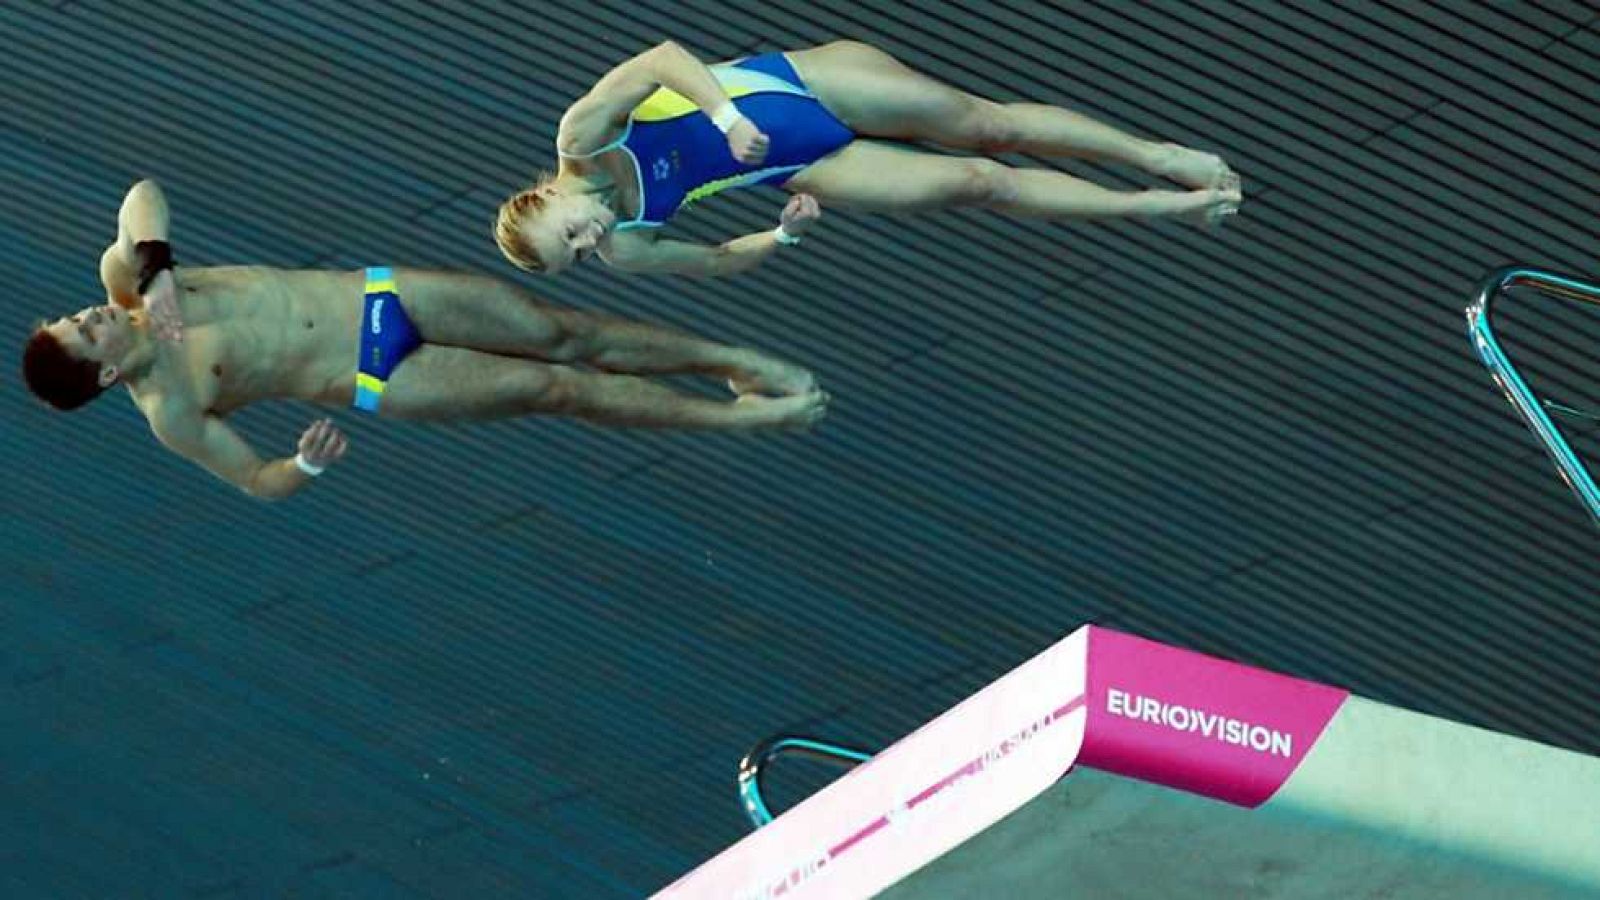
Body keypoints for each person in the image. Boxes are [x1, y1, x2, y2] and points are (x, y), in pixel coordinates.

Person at [21, 180, 827, 500]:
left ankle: (735, 363)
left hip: (378, 294)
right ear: (100, 377)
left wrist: (158, 271)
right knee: (558, 388)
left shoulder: (127, 284)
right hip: (373, 373)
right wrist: (302, 463)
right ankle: (737, 418)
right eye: (86, 332)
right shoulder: (171, 407)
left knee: (565, 333)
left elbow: (141, 198)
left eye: (76, 314)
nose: (92, 316)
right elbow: (255, 481)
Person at [495, 39, 1243, 277]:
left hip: (792, 85)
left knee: (985, 128)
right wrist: (783, 236)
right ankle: (1153, 205)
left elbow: (659, 60)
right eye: (578, 257)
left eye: (573, 234)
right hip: (795, 164)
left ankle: (1157, 155)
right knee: (975, 183)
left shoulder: (581, 138)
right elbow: (718, 257)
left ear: (547, 197)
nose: (591, 242)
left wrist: (723, 117)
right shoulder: (625, 251)